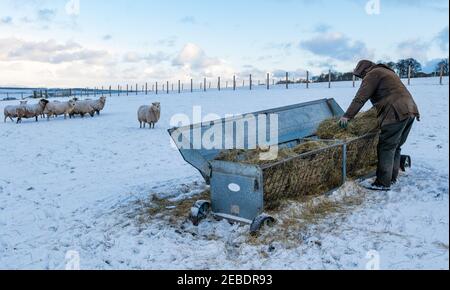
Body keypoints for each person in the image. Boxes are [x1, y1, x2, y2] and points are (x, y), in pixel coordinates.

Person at [339, 60, 420, 190]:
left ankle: (382, 183)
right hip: (410, 110)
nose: (361, 79)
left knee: (386, 147)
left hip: (395, 112)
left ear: (364, 70)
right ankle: (392, 178)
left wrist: (347, 116)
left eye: (360, 76)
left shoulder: (372, 74)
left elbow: (360, 97)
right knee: (396, 145)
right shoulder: (386, 71)